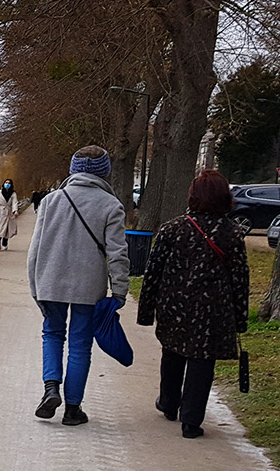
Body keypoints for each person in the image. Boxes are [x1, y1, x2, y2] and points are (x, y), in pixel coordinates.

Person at [135, 170, 249, 439]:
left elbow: (153, 272)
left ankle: (169, 402)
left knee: (172, 352)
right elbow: (240, 278)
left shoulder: (173, 228)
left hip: (175, 304)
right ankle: (192, 420)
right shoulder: (232, 233)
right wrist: (240, 318)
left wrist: (146, 311)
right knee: (203, 361)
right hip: (213, 309)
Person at [26, 145, 130, 425]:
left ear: (73, 170)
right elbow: (118, 253)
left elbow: (34, 250)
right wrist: (119, 290)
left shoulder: (51, 201)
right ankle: (73, 408)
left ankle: (50, 388)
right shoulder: (111, 206)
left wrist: (36, 287)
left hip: (50, 281)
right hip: (88, 286)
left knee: (52, 334)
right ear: (105, 172)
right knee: (81, 345)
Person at [0, 179, 19, 250]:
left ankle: (4, 242)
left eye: (9, 183)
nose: (7, 184)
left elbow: (14, 202)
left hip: (8, 212)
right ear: (3, 184)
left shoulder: (13, 194)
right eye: (6, 183)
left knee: (7, 229)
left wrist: (15, 210)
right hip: (0, 212)